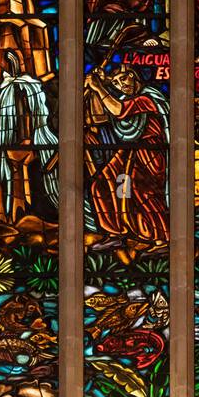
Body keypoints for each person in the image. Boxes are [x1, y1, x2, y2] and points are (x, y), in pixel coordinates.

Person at [84, 64, 169, 261]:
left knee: (142, 192)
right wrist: (104, 83)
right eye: (116, 83)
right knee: (102, 184)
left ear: (133, 75)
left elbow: (119, 111)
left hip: (150, 153)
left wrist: (98, 86)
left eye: (123, 79)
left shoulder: (147, 98)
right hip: (130, 150)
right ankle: (115, 232)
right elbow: (113, 108)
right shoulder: (124, 97)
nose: (121, 86)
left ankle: (162, 240)